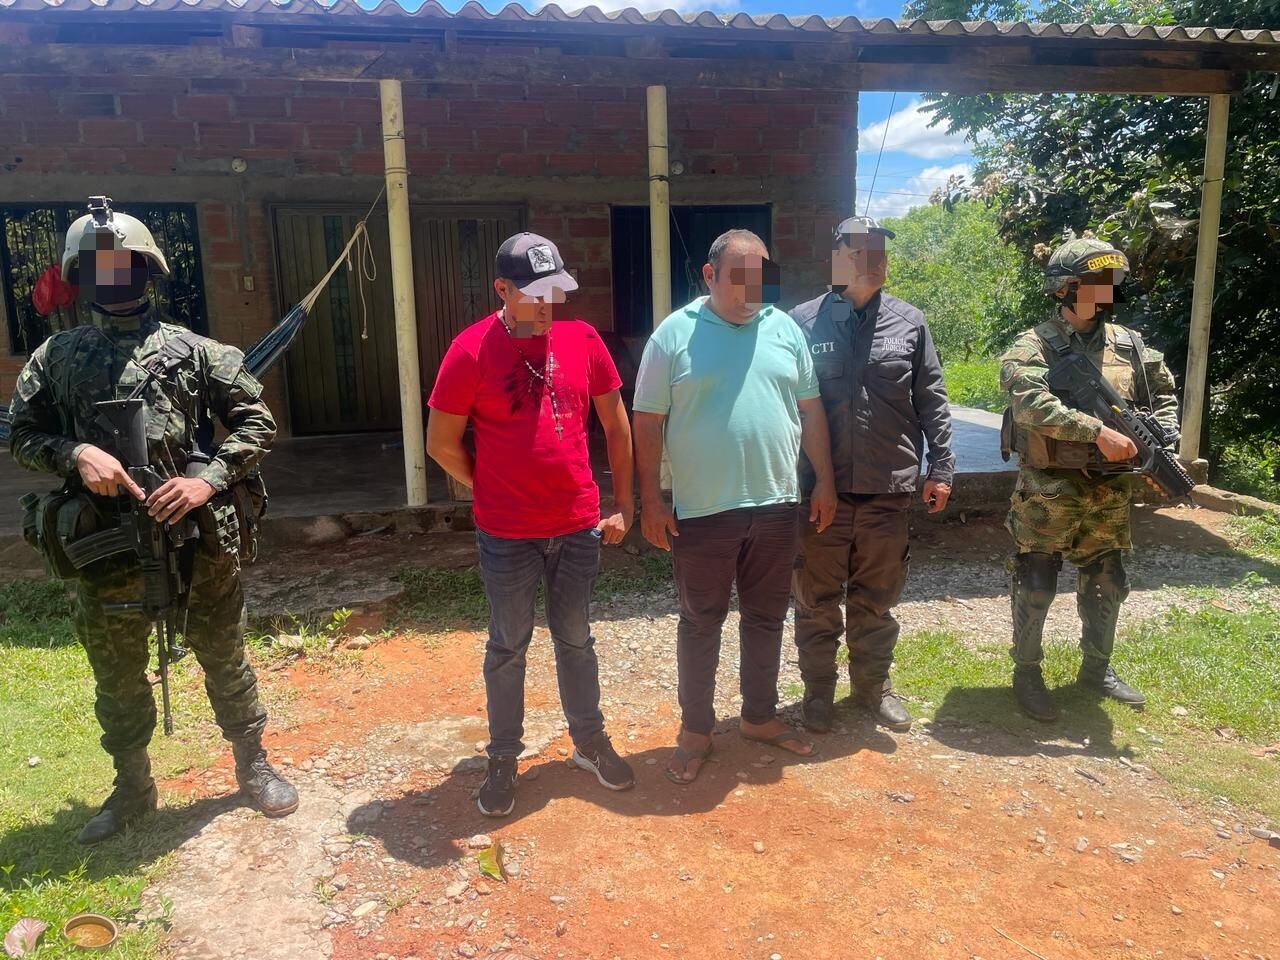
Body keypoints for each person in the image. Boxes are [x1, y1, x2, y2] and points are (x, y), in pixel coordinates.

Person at [9, 197, 296, 844]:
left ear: (147, 269)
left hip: (196, 540)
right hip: (104, 545)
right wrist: (75, 451)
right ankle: (132, 787)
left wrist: (207, 481)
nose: (114, 276)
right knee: (115, 672)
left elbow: (257, 422)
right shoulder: (55, 357)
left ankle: (253, 765)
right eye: (99, 267)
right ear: (81, 277)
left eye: (125, 264)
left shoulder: (198, 351)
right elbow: (20, 433)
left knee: (224, 653)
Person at [426, 232, 636, 817]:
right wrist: (492, 485)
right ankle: (502, 759)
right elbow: (441, 444)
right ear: (503, 289)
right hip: (507, 533)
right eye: (536, 294)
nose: (548, 305)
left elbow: (616, 426)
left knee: (576, 638)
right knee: (508, 645)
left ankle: (589, 743)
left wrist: (625, 504)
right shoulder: (469, 351)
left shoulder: (583, 338)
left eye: (556, 293)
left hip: (576, 526)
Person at [632, 228, 837, 785]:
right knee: (701, 622)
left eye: (761, 277)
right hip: (703, 512)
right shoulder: (674, 336)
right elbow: (647, 420)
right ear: (709, 276)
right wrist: (651, 500)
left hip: (775, 504)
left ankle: (759, 716)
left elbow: (810, 409)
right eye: (739, 277)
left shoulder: (785, 330)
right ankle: (696, 730)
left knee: (767, 618)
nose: (752, 290)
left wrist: (824, 481)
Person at [999, 236, 1180, 721]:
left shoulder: (1131, 346)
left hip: (1110, 488)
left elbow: (1162, 392)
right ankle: (1027, 673)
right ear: (1064, 288)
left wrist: (1163, 437)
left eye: (1110, 283)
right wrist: (1096, 431)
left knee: (1108, 580)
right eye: (1094, 284)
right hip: (1049, 486)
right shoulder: (1032, 345)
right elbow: (1029, 403)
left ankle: (1096, 670)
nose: (1104, 293)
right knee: (1037, 582)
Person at [789, 216, 955, 734]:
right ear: (838, 259)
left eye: (880, 250)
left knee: (877, 599)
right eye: (863, 251)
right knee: (815, 599)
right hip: (821, 492)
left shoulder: (911, 323)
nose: (877, 260)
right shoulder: (801, 323)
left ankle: (871, 688)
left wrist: (941, 468)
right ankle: (817, 692)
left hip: (888, 488)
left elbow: (932, 400)